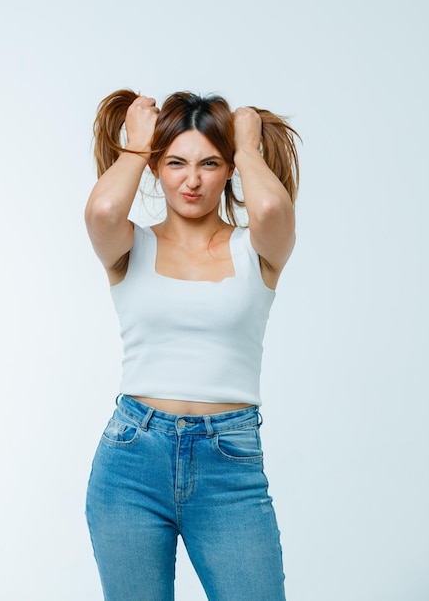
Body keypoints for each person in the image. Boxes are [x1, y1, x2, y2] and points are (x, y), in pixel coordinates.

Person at [84, 88, 300, 601]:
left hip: (230, 464)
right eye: (176, 162)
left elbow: (269, 206)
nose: (193, 179)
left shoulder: (257, 250)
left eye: (211, 163)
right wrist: (137, 146)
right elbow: (102, 210)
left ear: (229, 171)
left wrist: (247, 145)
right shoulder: (130, 246)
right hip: (132, 459)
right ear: (158, 168)